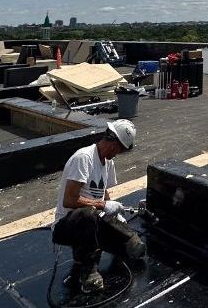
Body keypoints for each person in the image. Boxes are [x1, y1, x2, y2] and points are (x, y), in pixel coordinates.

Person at [52, 120, 146, 293]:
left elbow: (104, 192)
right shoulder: (84, 158)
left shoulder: (108, 162)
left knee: (134, 246)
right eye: (119, 149)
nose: (118, 154)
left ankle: (97, 244)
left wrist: (116, 214)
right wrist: (103, 205)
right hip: (68, 225)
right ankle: (87, 270)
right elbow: (69, 200)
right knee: (88, 214)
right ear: (113, 143)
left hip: (93, 222)